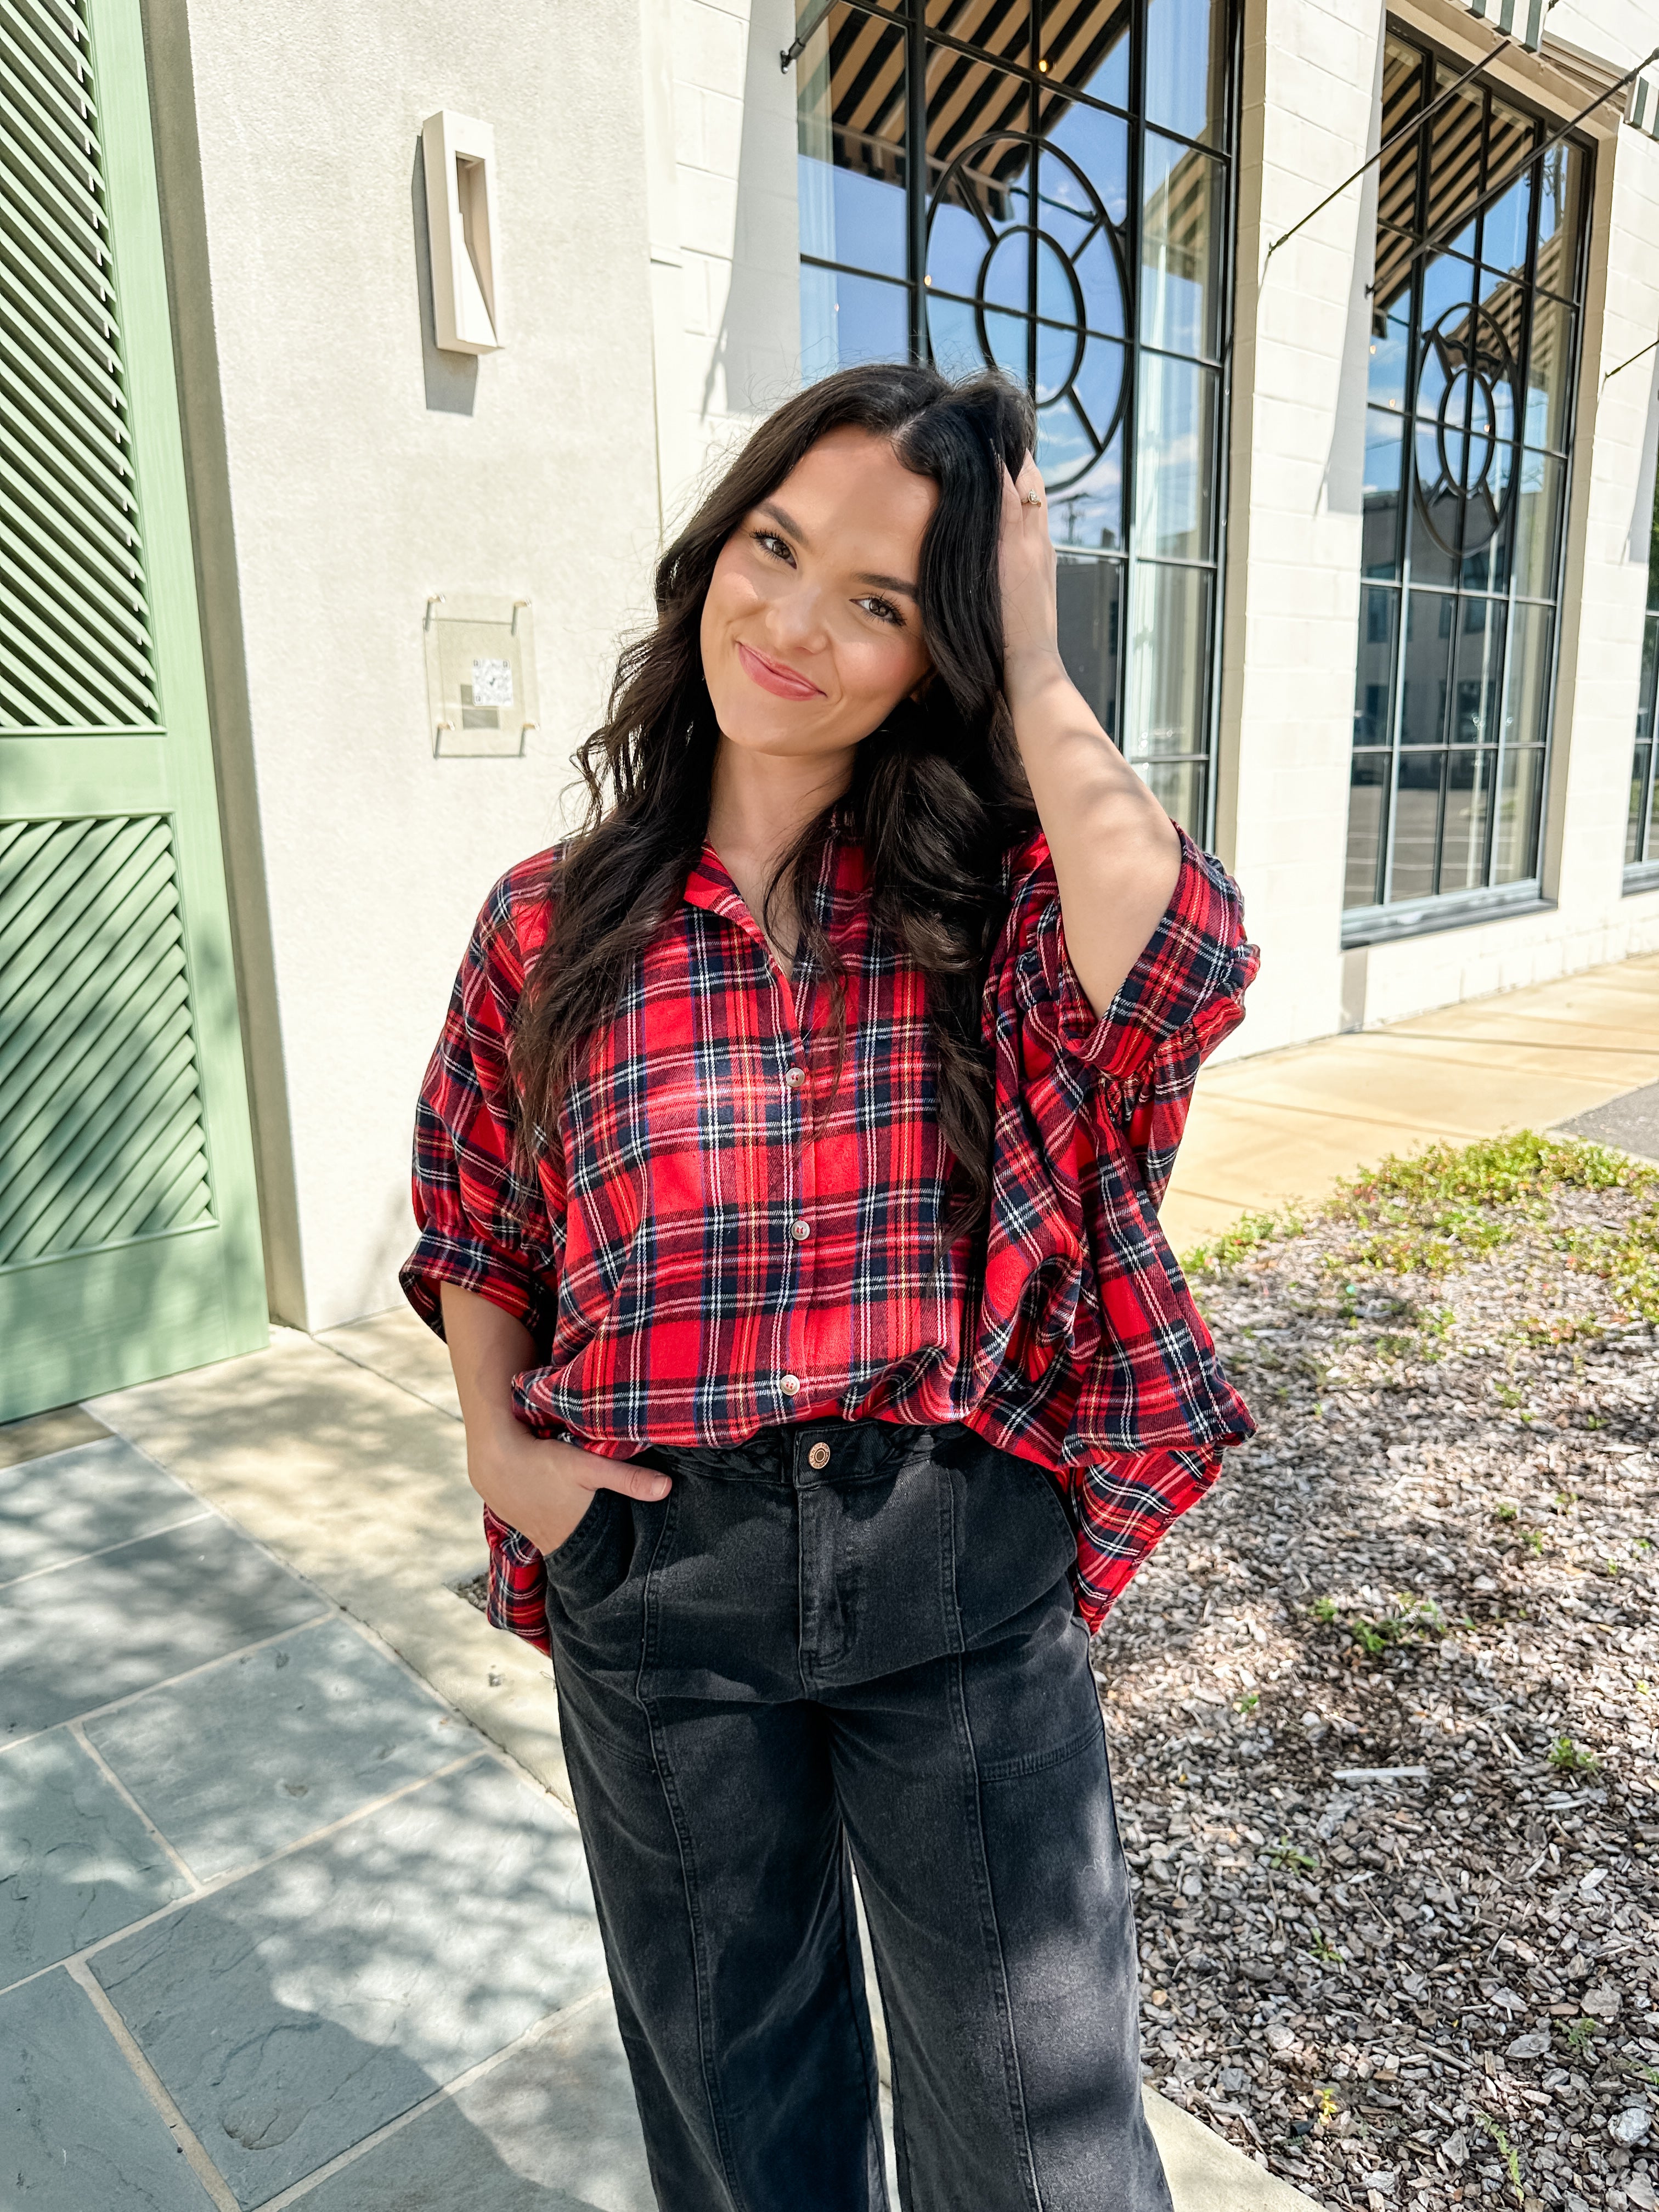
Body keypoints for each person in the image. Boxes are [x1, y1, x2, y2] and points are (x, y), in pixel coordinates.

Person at [401, 363, 1257, 2212]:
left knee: (1041, 2141)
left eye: (879, 602)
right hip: (658, 1574)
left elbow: (1182, 957)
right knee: (740, 2118)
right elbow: (481, 1216)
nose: (792, 624)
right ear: (716, 549)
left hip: (947, 1558)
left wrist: (1036, 654)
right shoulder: (546, 925)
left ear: (928, 659)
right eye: (775, 550)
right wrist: (502, 1453)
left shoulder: (989, 906)